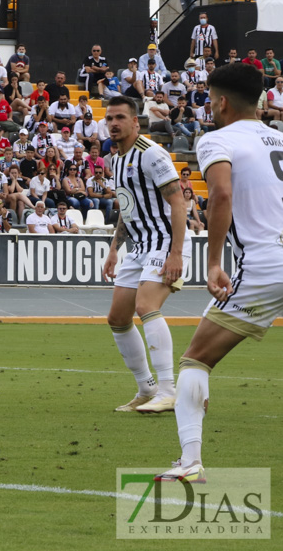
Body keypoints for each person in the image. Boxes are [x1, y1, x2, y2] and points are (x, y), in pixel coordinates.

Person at [155, 63, 283, 483]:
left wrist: (213, 262)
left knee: (195, 360)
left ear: (222, 102)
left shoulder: (217, 139)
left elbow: (222, 193)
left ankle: (190, 461)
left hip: (265, 265)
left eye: (210, 100)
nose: (209, 107)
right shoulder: (279, 139)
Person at [102, 96, 190, 414]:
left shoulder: (151, 153)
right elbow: (128, 208)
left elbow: (178, 202)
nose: (113, 123)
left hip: (165, 242)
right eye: (109, 118)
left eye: (120, 117)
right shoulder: (117, 160)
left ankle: (169, 390)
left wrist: (176, 254)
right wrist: (114, 250)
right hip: (139, 247)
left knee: (145, 306)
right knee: (118, 318)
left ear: (135, 122)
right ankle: (146, 388)